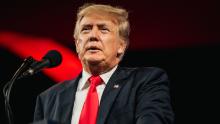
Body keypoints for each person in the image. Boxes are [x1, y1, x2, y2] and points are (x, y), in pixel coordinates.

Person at [33, 3, 174, 124]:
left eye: (103, 29)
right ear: (77, 44)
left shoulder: (145, 81)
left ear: (121, 45)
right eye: (86, 29)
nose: (93, 36)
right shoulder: (48, 98)